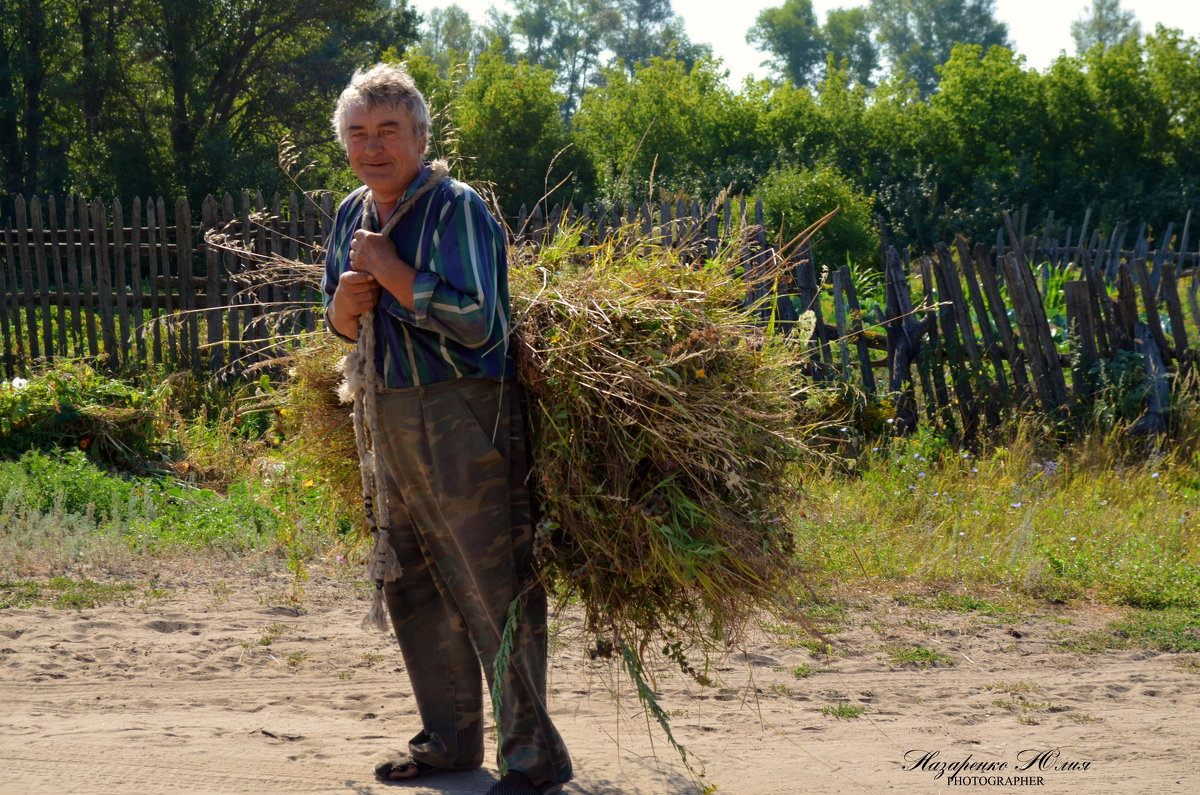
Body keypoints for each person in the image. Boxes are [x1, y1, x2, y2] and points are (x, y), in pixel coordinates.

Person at [322, 63, 572, 795]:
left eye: (388, 131)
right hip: (388, 418)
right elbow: (341, 328)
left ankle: (533, 756)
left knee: (492, 583)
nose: (372, 146)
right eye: (359, 133)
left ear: (419, 138)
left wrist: (394, 272)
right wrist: (344, 301)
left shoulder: (456, 208)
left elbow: (480, 323)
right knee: (413, 582)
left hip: (466, 415)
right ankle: (451, 739)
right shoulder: (349, 214)